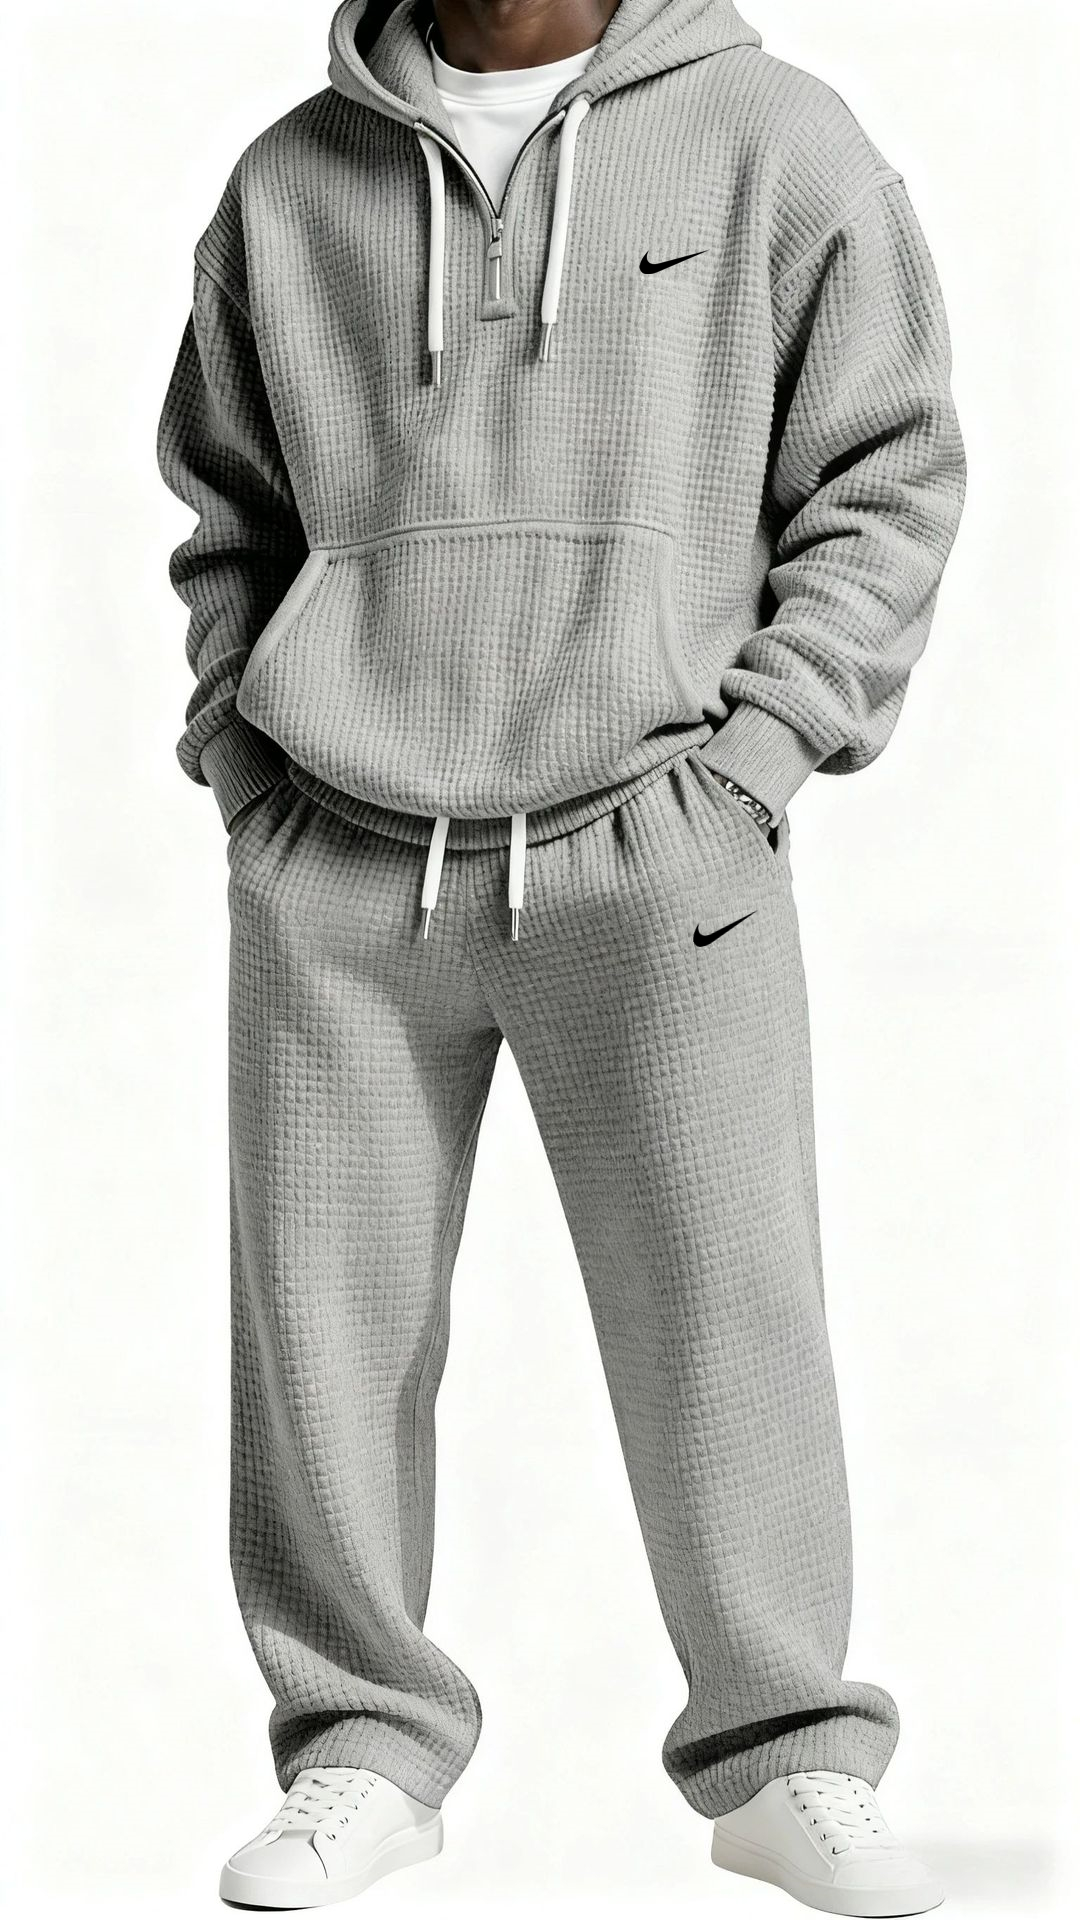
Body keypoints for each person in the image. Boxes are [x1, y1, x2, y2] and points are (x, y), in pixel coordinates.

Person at [156, 0, 966, 1909]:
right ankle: (362, 1746)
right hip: (340, 858)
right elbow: (229, 512)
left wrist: (763, 756)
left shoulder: (776, 139)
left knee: (726, 1316)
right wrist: (240, 761)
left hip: (658, 844)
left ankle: (785, 1756)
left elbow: (888, 472)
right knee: (325, 1337)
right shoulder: (290, 182)